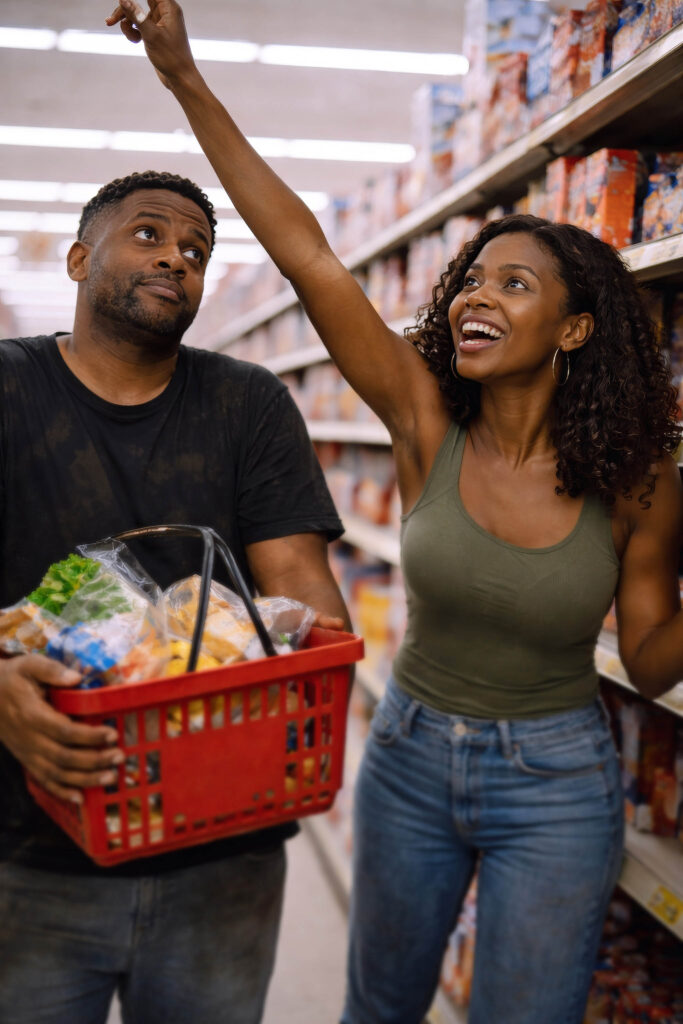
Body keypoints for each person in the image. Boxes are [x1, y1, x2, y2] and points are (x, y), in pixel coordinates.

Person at [109, 1, 683, 1021]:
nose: (474, 296)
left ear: (574, 329)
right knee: (377, 1010)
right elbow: (314, 260)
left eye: (514, 284)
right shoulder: (423, 420)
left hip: (554, 779)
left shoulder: (634, 480)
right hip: (411, 755)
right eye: (470, 280)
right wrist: (182, 77)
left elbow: (646, 662)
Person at [0, 165, 350, 1024]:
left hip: (223, 847)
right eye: (149, 234)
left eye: (195, 248)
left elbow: (298, 585)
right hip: (28, 849)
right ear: (79, 260)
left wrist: (314, 656)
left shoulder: (250, 403)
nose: (176, 259)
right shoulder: (7, 388)